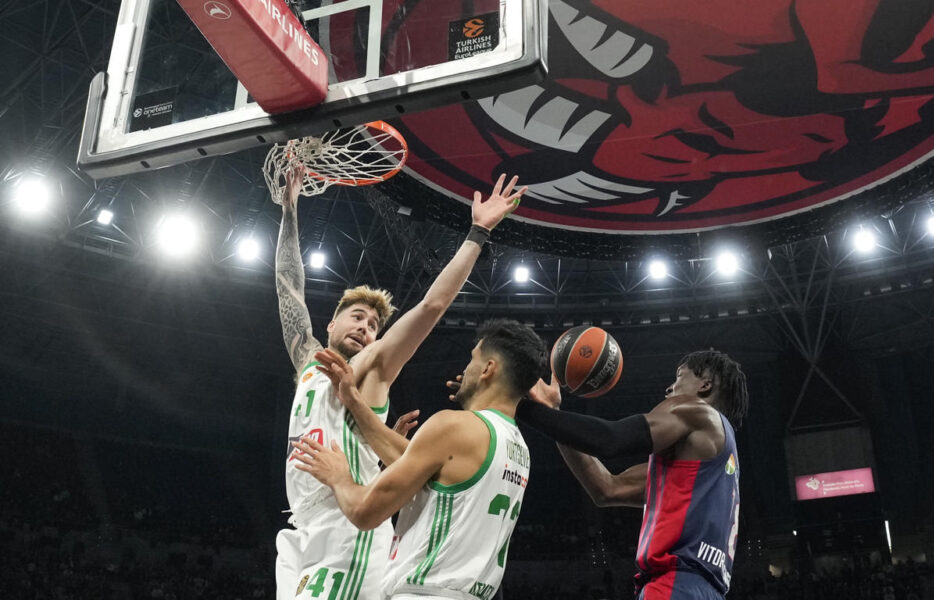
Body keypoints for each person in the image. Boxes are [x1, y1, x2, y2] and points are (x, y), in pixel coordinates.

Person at [274, 165, 526, 600]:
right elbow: (287, 288)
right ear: (331, 323)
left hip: (346, 527)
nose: (365, 328)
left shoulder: (370, 368)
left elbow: (432, 306)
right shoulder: (308, 362)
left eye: (373, 324)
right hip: (304, 526)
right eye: (357, 316)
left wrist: (477, 234)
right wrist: (289, 209)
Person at [290, 319, 546, 600]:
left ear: (487, 369)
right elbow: (419, 463)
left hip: (424, 592)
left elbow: (364, 512)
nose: (465, 369)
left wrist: (340, 478)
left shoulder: (453, 426)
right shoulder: (517, 447)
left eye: (472, 360)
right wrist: (353, 400)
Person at [518, 350, 748, 600]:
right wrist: (553, 413)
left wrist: (516, 405)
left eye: (680, 377)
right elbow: (607, 489)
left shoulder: (697, 412)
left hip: (675, 586)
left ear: (705, 384)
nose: (669, 389)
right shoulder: (713, 465)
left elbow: (610, 440)